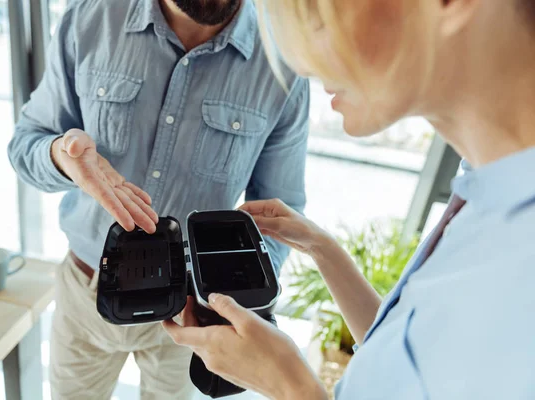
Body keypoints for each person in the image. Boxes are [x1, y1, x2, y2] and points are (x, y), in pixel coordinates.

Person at [162, 0, 535, 398]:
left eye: (321, 16)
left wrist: (290, 386)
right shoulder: (482, 187)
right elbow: (405, 364)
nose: (302, 65)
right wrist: (322, 250)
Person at [7, 0, 310, 398]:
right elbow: (26, 143)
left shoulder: (284, 64)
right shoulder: (91, 17)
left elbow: (278, 212)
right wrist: (61, 157)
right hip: (87, 293)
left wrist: (237, 298)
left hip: (193, 311)